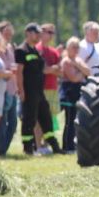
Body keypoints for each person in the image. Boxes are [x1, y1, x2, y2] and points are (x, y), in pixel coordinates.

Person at [15, 23, 62, 155]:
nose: (39, 35)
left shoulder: (35, 50)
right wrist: (21, 91)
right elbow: (19, 72)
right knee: (29, 120)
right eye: (36, 32)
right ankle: (28, 148)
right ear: (28, 33)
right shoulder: (21, 50)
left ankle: (55, 147)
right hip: (28, 91)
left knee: (46, 118)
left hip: (39, 91)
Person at [60, 37, 91, 153]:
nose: (76, 49)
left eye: (78, 47)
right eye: (74, 47)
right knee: (69, 120)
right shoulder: (66, 61)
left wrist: (79, 68)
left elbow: (88, 72)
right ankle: (67, 146)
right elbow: (73, 78)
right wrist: (81, 72)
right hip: (69, 93)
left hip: (77, 92)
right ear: (68, 48)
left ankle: (73, 144)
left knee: (76, 120)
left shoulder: (77, 60)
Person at [0, 21, 18, 156]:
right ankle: (0, 150)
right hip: (3, 90)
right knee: (2, 123)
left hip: (12, 89)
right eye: (6, 33)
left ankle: (3, 149)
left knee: (13, 123)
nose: (9, 35)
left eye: (10, 33)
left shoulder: (10, 47)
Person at [38, 23, 62, 146]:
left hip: (53, 88)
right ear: (41, 32)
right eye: (49, 32)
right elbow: (43, 70)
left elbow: (60, 71)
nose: (52, 35)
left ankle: (45, 144)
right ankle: (37, 145)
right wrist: (53, 69)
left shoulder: (53, 51)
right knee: (39, 119)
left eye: (53, 33)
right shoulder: (37, 49)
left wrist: (52, 69)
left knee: (50, 118)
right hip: (41, 88)